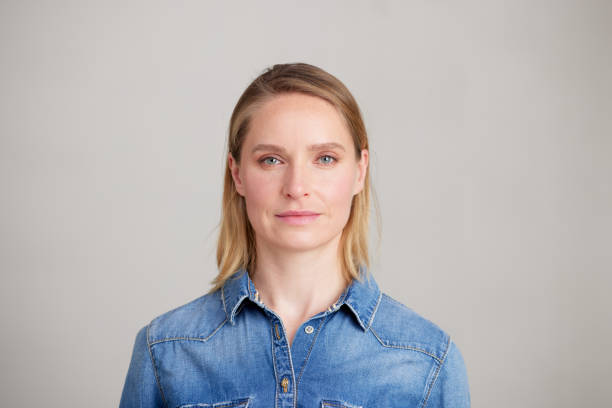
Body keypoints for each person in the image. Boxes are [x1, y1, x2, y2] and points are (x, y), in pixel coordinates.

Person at [119, 62, 470, 407]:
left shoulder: (427, 361)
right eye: (272, 160)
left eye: (325, 159)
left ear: (360, 171)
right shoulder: (165, 350)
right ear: (237, 174)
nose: (297, 187)